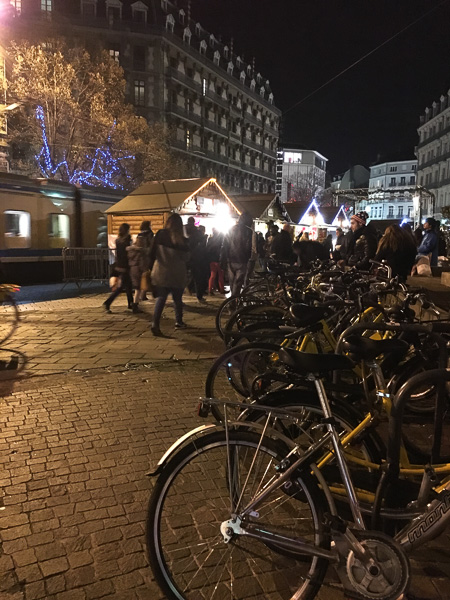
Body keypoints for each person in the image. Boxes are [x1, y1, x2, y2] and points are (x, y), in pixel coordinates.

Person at [149, 213, 190, 336]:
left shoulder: (160, 234)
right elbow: (187, 258)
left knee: (161, 298)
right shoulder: (182, 239)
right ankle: (179, 321)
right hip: (177, 273)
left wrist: (150, 267)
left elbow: (151, 252)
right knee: (177, 299)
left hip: (161, 271)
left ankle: (155, 323)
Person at [221, 211, 253, 296]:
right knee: (238, 283)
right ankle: (233, 301)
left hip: (231, 259)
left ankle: (232, 301)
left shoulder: (231, 229)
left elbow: (225, 245)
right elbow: (248, 246)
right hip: (242, 260)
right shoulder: (248, 231)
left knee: (232, 282)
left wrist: (224, 258)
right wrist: (248, 258)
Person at [103, 223, 133, 313]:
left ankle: (131, 304)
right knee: (121, 288)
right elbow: (128, 254)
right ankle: (107, 303)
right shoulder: (127, 240)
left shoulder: (118, 240)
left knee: (128, 286)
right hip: (125, 266)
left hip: (119, 265)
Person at [126, 236, 147, 313]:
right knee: (138, 289)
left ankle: (135, 303)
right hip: (138, 270)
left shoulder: (130, 250)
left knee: (136, 288)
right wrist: (145, 270)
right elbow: (142, 263)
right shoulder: (140, 252)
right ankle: (135, 305)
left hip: (132, 269)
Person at [191, 225, 210, 303]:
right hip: (201, 261)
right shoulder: (202, 238)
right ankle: (199, 295)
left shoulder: (193, 237)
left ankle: (197, 293)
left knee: (196, 279)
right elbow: (204, 249)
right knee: (200, 279)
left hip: (193, 260)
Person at [137, 221, 154, 300]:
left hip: (140, 256)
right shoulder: (150, 234)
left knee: (143, 275)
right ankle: (144, 294)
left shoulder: (139, 234)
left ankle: (141, 294)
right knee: (147, 275)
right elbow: (152, 245)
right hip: (147, 256)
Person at [207, 228, 225, 295]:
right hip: (218, 259)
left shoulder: (210, 239)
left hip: (211, 259)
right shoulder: (220, 240)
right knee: (220, 275)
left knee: (212, 275)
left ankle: (210, 289)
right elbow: (222, 249)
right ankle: (221, 289)